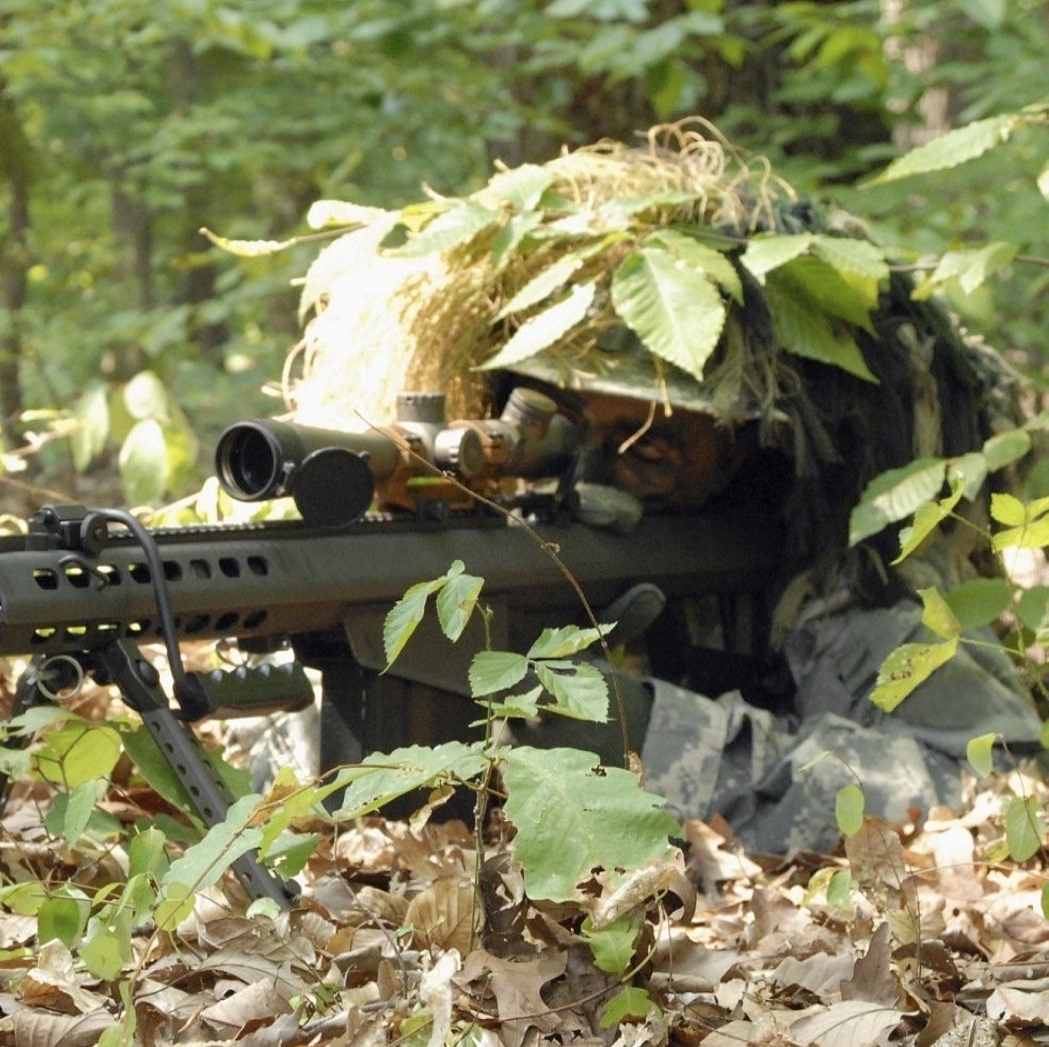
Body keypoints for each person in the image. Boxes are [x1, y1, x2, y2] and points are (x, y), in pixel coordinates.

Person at [276, 129, 1043, 856]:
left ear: (751, 434)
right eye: (569, 422)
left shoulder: (840, 598)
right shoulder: (521, 549)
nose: (610, 458)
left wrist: (644, 734)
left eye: (656, 430)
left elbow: (1002, 790)